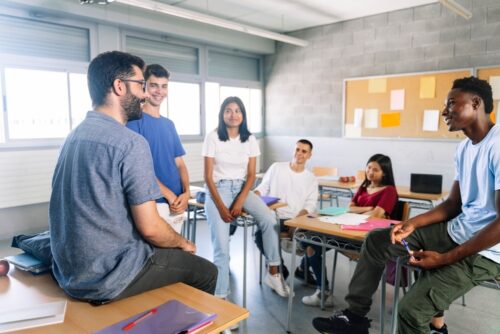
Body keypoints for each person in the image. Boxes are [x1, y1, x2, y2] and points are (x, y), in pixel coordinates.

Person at [312, 76, 500, 334]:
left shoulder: (498, 144)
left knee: (410, 311)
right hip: (457, 231)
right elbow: (453, 204)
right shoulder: (464, 148)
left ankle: (434, 325)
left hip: (487, 251)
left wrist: (445, 258)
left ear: (476, 103)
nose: (444, 111)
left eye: (451, 104)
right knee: (379, 240)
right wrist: (410, 223)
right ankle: (354, 318)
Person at [49, 51, 217, 304]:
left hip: (70, 271)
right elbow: (151, 228)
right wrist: (183, 243)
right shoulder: (130, 142)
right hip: (109, 275)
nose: (146, 94)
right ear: (119, 86)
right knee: (206, 271)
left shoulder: (73, 136)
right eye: (141, 85)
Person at [202, 96, 290, 300]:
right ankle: (221, 299)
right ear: (222, 114)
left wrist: (240, 200)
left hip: (242, 188)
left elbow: (251, 175)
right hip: (218, 189)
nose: (233, 115)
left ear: (243, 115)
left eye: (238, 110)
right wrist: (222, 208)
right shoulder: (213, 136)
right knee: (222, 250)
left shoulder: (249, 138)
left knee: (269, 219)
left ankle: (274, 272)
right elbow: (208, 176)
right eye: (228, 110)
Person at [303, 154, 398, 308]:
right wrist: (368, 208)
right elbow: (349, 208)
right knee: (310, 242)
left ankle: (304, 270)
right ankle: (323, 291)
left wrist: (361, 212)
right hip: (348, 231)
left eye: (376, 170)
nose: (370, 172)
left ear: (385, 172)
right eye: (368, 167)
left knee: (312, 241)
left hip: (367, 240)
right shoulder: (363, 187)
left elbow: (377, 215)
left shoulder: (389, 191)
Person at [127, 64, 190, 233]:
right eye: (154, 85)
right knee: (158, 257)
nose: (159, 91)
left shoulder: (169, 125)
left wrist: (186, 193)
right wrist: (169, 196)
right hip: (154, 203)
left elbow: (180, 164)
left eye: (164, 86)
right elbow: (139, 169)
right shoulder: (134, 122)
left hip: (177, 203)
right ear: (144, 87)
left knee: (176, 255)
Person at [252, 139, 319, 289]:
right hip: (275, 216)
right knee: (259, 236)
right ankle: (281, 271)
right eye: (297, 149)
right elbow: (263, 187)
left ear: (309, 155)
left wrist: (296, 221)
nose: (299, 154)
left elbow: (310, 204)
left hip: (296, 219)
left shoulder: (311, 178)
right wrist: (252, 196)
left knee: (314, 241)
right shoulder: (277, 167)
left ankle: (304, 272)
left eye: (304, 151)